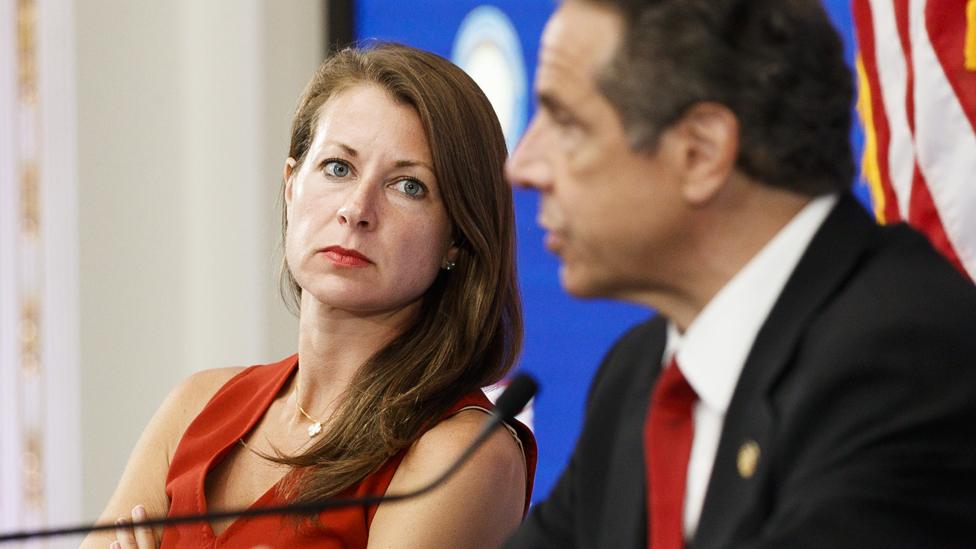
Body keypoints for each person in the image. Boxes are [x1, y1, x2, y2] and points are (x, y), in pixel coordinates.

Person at [503, 0, 976, 547]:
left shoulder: (907, 360)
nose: (522, 166)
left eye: (566, 123)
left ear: (700, 153)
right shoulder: (637, 374)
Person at [82, 43, 535, 549]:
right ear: (291, 185)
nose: (356, 210)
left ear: (457, 236)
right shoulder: (196, 405)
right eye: (338, 168)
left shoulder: (460, 452)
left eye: (408, 185)